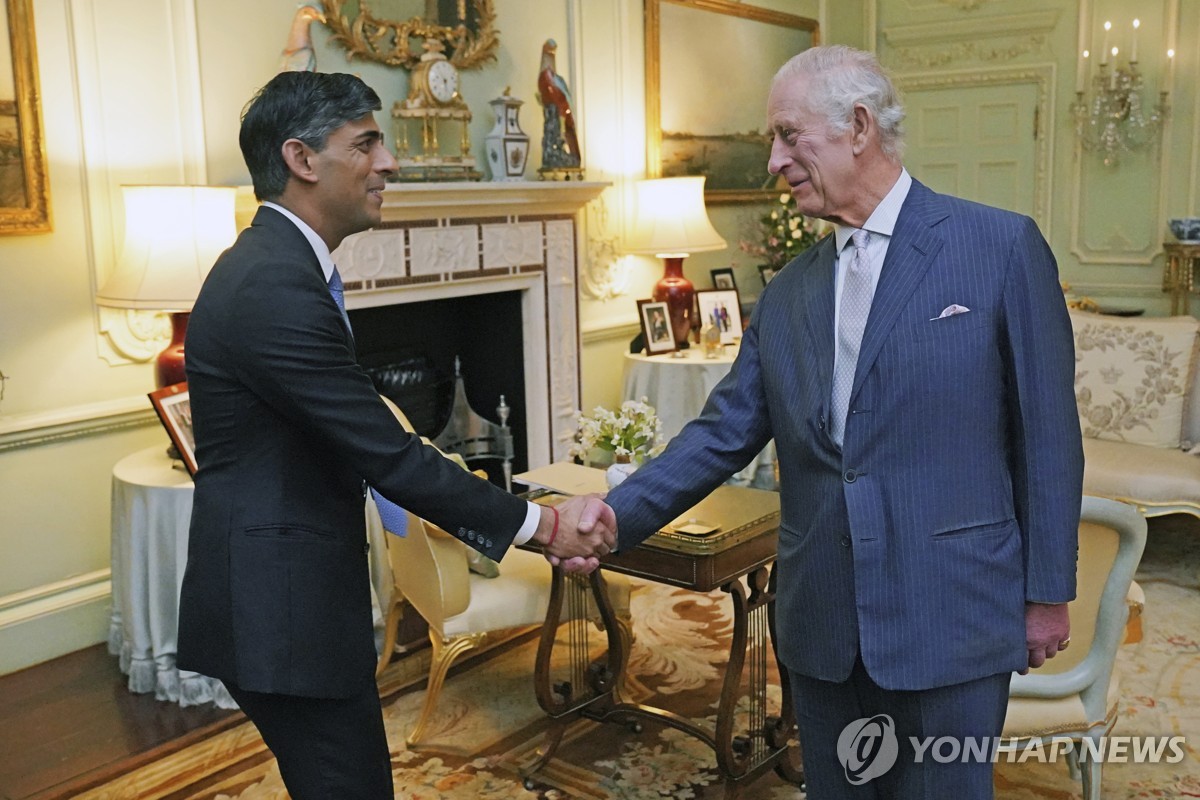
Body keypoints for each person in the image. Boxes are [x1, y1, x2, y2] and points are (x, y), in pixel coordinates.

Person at [597, 46, 1083, 799]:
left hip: (951, 613)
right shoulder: (789, 293)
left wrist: (1047, 593)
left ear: (859, 125)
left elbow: (1048, 436)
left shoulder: (998, 248)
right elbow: (720, 434)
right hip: (824, 621)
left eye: (789, 136)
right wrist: (606, 517)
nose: (772, 160)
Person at [176, 71, 614, 800]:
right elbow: (388, 454)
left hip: (285, 597)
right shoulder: (272, 288)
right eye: (367, 144)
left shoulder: (280, 270)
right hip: (279, 612)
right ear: (302, 160)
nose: (390, 163)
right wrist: (545, 527)